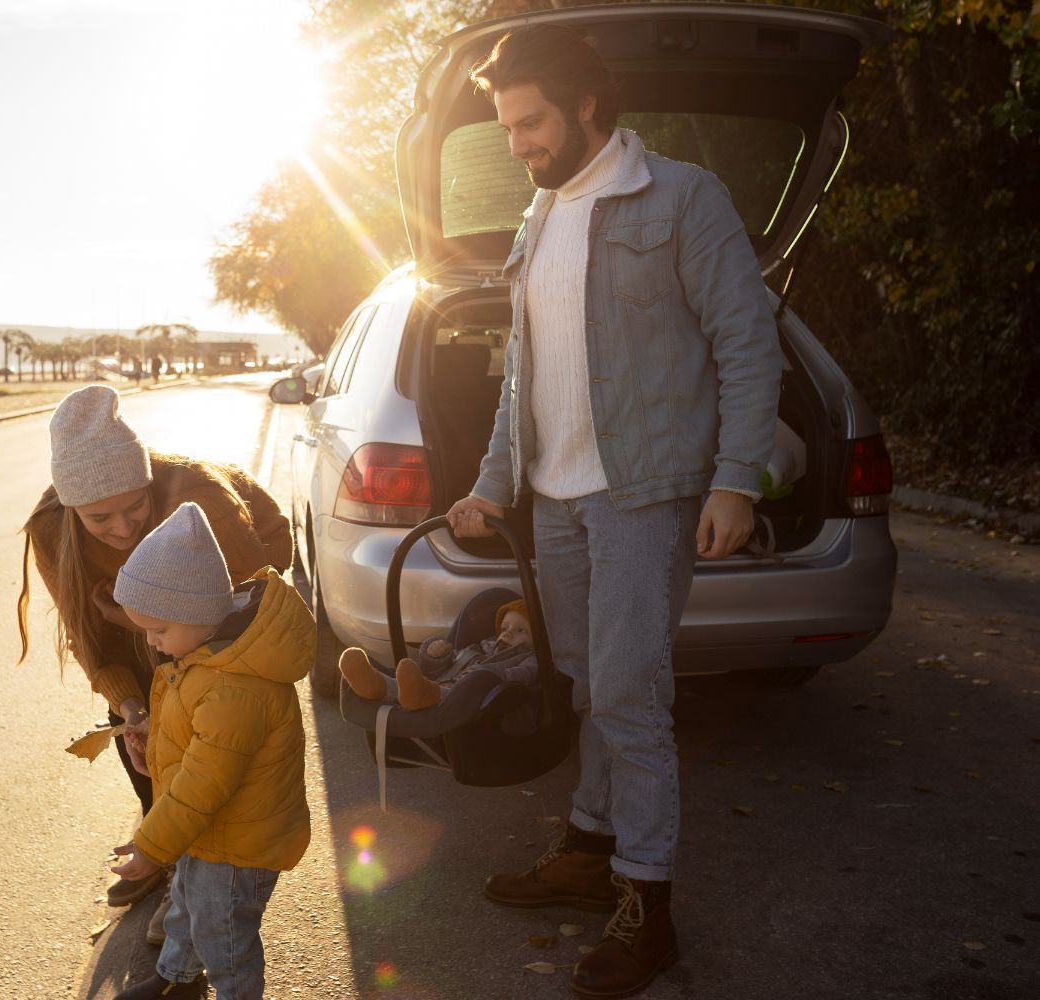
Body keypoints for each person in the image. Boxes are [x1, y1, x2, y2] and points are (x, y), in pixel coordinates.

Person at [448, 25, 782, 998]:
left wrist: (735, 478)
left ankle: (650, 901)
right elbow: (523, 377)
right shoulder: (537, 221)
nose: (517, 142)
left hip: (643, 495)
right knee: (586, 682)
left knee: (631, 696)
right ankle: (591, 849)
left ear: (589, 105)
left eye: (531, 121)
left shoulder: (681, 198)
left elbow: (747, 341)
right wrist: (489, 479)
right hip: (554, 500)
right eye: (507, 124)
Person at [16, 385, 291, 934]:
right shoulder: (51, 528)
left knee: (208, 724)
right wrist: (133, 709)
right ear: (72, 510)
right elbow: (92, 644)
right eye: (99, 519)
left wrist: (139, 627)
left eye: (134, 507)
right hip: (135, 615)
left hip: (234, 584)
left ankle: (198, 882)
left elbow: (241, 629)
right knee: (138, 726)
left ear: (147, 486)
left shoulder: (198, 500)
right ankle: (162, 847)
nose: (121, 529)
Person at [107, 502, 313, 1000]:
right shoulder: (207, 655)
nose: (154, 645)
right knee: (187, 906)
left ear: (196, 612)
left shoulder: (235, 687)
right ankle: (175, 981)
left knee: (223, 935)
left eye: (159, 631)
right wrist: (154, 736)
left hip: (238, 846)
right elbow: (197, 734)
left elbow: (204, 782)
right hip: (214, 833)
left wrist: (152, 847)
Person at [338, 592, 536, 710]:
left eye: (520, 630)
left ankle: (413, 693)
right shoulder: (480, 648)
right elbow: (436, 671)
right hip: (437, 685)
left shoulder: (531, 659)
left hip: (468, 702)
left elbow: (523, 675)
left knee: (428, 691)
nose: (508, 634)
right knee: (408, 681)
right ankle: (375, 683)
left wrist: (488, 677)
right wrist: (435, 655)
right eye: (504, 628)